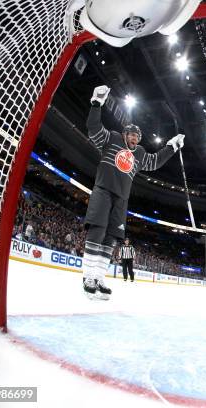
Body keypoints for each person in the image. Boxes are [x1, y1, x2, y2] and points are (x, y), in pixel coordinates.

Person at [82, 85, 185, 300]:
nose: (135, 139)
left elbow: (155, 162)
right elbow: (93, 128)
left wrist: (171, 147)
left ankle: (99, 278)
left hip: (121, 199)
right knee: (98, 231)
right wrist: (96, 104)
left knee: (110, 239)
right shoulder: (112, 139)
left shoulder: (139, 153)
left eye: (138, 137)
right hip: (103, 191)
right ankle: (88, 276)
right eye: (132, 135)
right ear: (125, 134)